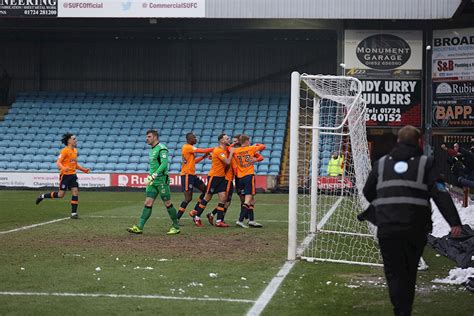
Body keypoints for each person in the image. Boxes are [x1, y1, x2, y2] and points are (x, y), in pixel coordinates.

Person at [362, 125, 462, 316]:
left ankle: (399, 309)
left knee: (393, 272)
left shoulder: (381, 163)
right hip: (415, 229)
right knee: (409, 272)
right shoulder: (427, 163)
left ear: (397, 142)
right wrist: (454, 222)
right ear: (419, 142)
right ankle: (404, 310)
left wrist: (386, 205)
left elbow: (368, 191)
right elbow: (441, 193)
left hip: (387, 228)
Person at [127, 129, 180, 235]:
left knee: (167, 203)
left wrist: (155, 175)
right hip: (152, 181)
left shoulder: (162, 148)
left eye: (149, 137)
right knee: (148, 202)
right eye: (147, 137)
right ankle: (139, 227)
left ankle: (176, 226)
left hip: (161, 180)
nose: (147, 138)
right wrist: (151, 176)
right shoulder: (151, 150)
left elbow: (164, 164)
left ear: (155, 137)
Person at [35, 133, 90, 219]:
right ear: (69, 140)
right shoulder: (64, 151)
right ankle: (42, 196)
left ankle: (73, 213)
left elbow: (75, 164)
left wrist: (83, 170)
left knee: (75, 192)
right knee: (61, 195)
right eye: (74, 139)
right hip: (65, 176)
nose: (76, 140)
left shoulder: (75, 151)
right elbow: (58, 162)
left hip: (73, 175)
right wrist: (63, 168)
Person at [190, 133, 233, 227]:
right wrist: (232, 152)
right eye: (227, 138)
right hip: (214, 177)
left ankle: (219, 221)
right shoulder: (218, 150)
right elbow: (228, 162)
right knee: (207, 197)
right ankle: (197, 217)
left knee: (223, 198)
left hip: (221, 178)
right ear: (221, 140)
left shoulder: (224, 150)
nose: (229, 140)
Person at [230, 134, 266, 228]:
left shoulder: (235, 151)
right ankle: (240, 220)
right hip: (249, 176)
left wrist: (235, 144)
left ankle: (251, 220)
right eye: (248, 140)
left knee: (252, 200)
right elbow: (263, 147)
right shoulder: (251, 148)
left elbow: (228, 148)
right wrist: (257, 144)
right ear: (246, 141)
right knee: (248, 199)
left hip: (240, 177)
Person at [177, 133, 213, 221]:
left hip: (192, 175)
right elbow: (202, 150)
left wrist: (203, 157)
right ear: (189, 139)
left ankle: (194, 211)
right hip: (186, 175)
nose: (196, 139)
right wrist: (215, 148)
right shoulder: (187, 147)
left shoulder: (188, 149)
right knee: (188, 198)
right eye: (194, 137)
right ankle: (176, 218)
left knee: (205, 190)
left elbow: (193, 162)